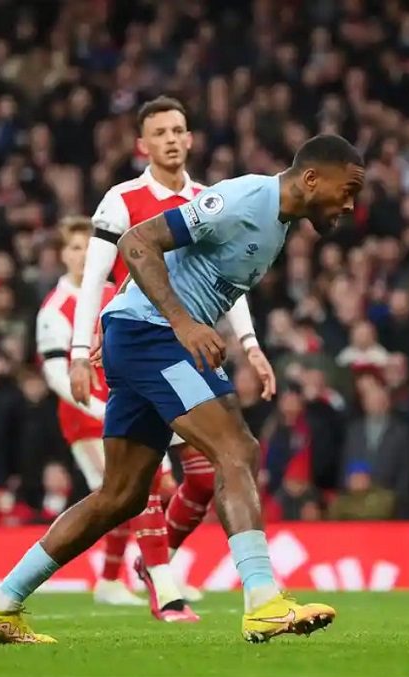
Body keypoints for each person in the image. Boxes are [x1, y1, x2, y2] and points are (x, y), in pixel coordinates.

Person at [0, 133, 366, 644]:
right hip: (154, 335)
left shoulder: (278, 222)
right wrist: (181, 322)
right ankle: (264, 602)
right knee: (237, 449)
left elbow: (188, 271)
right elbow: (137, 242)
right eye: (347, 190)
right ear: (311, 178)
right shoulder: (244, 200)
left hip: (146, 335)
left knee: (121, 496)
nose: (350, 204)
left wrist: (156, 320)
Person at [66, 96, 276, 615]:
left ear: (190, 138)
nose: (171, 140)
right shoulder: (122, 199)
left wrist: (251, 345)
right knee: (148, 473)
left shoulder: (211, 199)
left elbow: (233, 283)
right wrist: (78, 349)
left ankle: (159, 560)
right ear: (143, 145)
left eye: (178, 130)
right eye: (160, 133)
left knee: (204, 476)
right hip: (139, 345)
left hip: (190, 351)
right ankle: (166, 587)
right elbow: (94, 277)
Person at [36, 216, 195, 615]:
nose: (82, 255)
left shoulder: (114, 292)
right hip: (87, 417)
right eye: (74, 248)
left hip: (128, 405)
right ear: (62, 255)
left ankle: (111, 579)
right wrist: (97, 408)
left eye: (88, 248)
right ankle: (161, 582)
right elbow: (56, 376)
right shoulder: (54, 309)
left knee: (131, 493)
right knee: (128, 490)